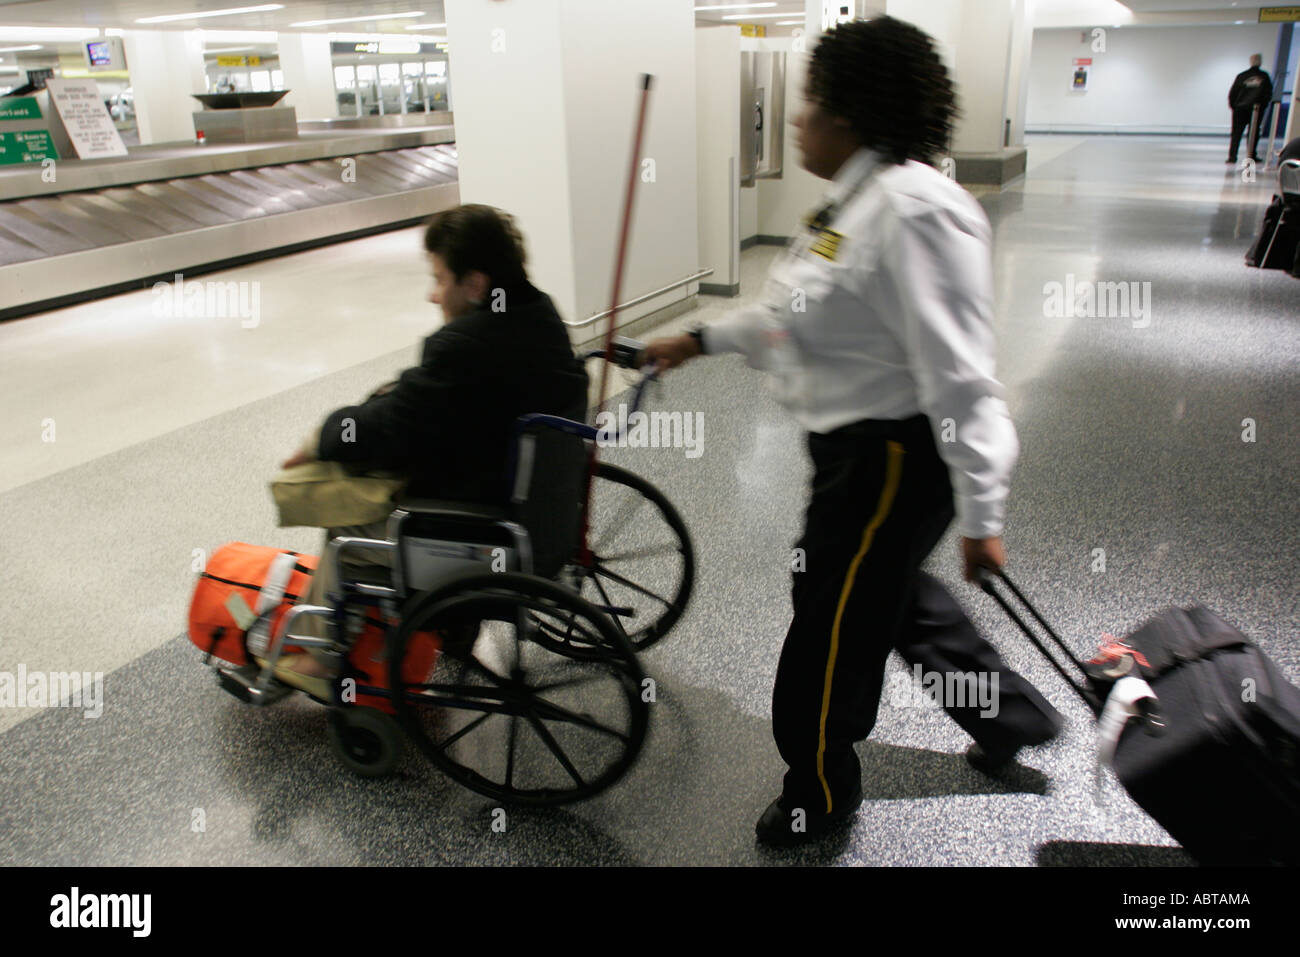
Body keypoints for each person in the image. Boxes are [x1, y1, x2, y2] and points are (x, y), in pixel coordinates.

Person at [644, 17, 1060, 847]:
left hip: (893, 457)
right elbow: (793, 316)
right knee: (889, 596)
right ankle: (1006, 716)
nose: (797, 120)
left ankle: (820, 787)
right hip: (859, 453)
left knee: (830, 621)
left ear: (851, 115)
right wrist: (699, 338)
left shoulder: (912, 212)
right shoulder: (857, 206)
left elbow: (962, 379)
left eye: (810, 104)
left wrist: (983, 513)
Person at [276, 204, 589, 692]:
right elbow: (435, 400)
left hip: (484, 528)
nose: (432, 293)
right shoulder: (540, 314)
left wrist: (326, 436)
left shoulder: (462, 344)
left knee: (343, 531)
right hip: (544, 515)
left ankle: (319, 660)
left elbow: (391, 430)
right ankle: (452, 627)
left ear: (475, 283)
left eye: (440, 279)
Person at [1227, 54, 1272, 165]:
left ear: (1250, 61)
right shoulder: (1264, 76)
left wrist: (1234, 106)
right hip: (1256, 109)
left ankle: (1232, 157)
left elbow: (1233, 93)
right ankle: (1251, 155)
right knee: (1253, 133)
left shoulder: (1242, 76)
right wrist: (1262, 106)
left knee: (1236, 133)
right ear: (1260, 62)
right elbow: (1268, 94)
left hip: (1240, 109)